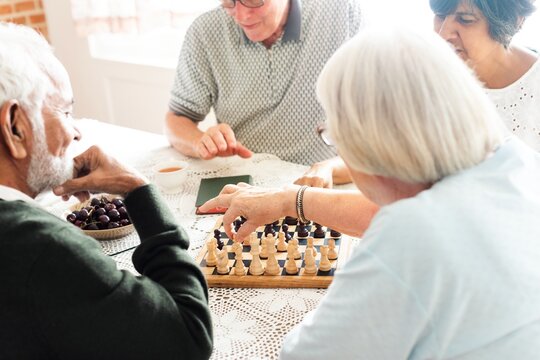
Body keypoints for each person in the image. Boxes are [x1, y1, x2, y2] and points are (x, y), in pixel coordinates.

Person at [200, 28, 540, 358]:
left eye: (335, 134)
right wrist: (292, 200)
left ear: (372, 141)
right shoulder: (520, 161)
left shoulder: (412, 231)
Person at [0, 23, 213, 359]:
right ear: (14, 126)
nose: (76, 132)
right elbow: (188, 336)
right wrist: (137, 188)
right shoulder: (44, 248)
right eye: (66, 112)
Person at [165, 0, 362, 166]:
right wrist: (200, 142)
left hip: (322, 175)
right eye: (229, 2)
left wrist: (332, 168)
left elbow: (375, 125)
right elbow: (176, 119)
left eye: (253, 0)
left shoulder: (341, 11)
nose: (242, 15)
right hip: (245, 180)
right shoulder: (205, 32)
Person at [432, 0, 540, 152]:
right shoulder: (427, 76)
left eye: (465, 20)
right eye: (440, 16)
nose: (443, 33)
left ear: (510, 21)